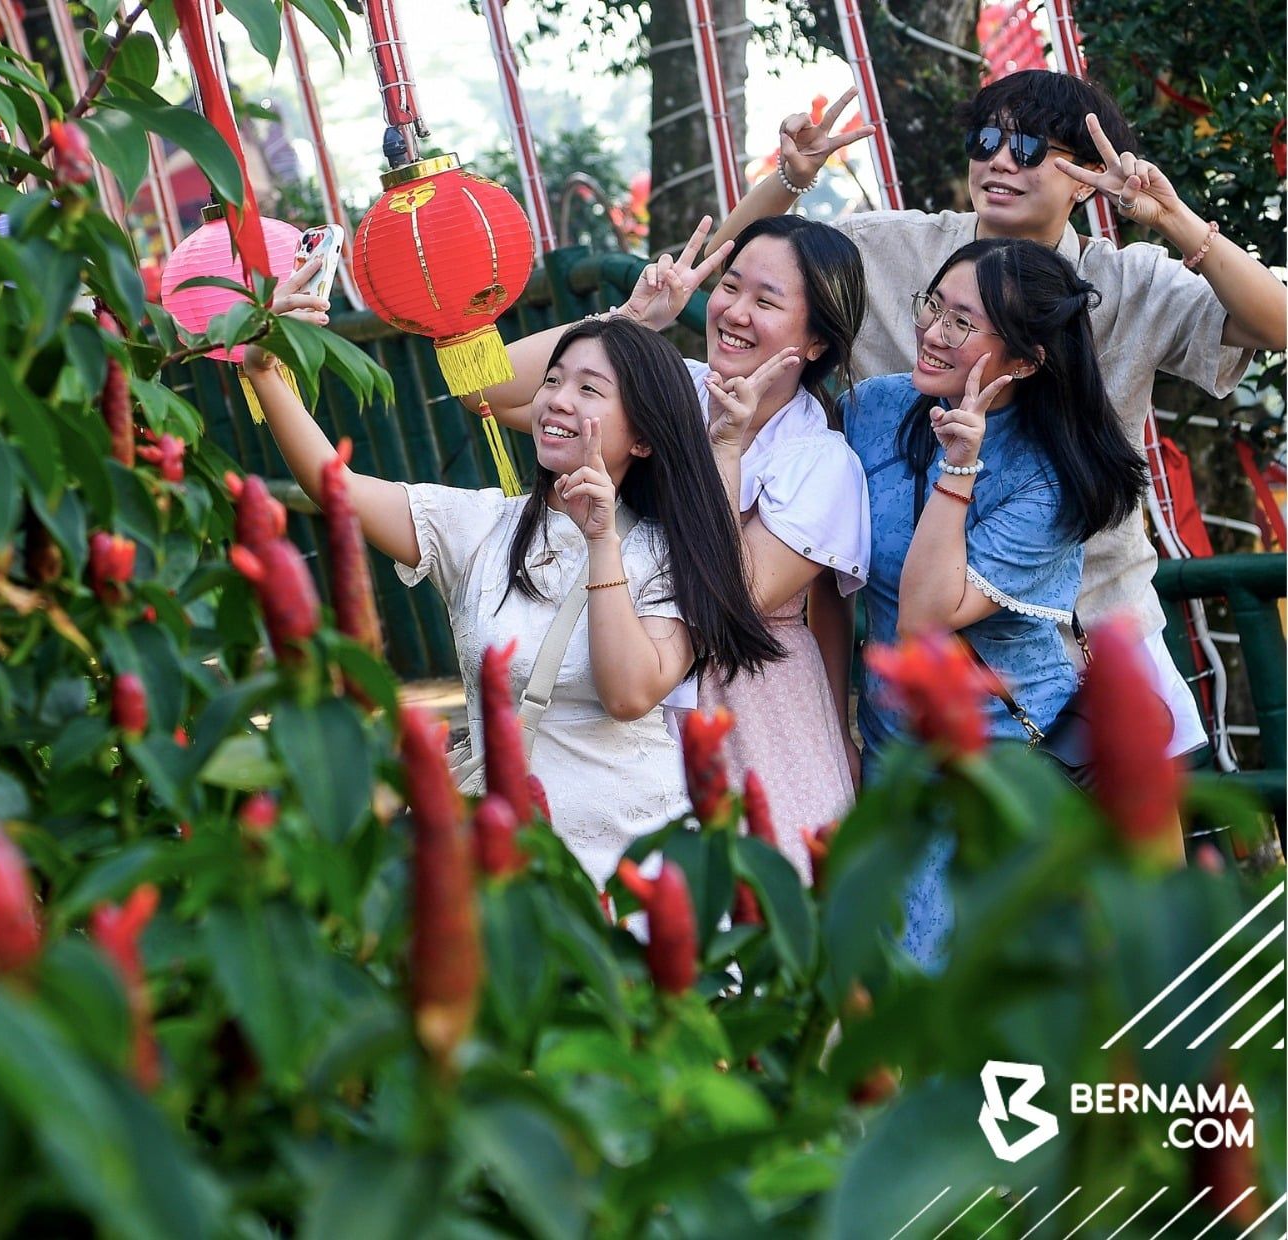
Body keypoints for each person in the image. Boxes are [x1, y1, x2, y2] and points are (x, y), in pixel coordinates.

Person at [708, 71, 1288, 763]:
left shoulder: (1132, 278)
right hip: (928, 642)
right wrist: (790, 180)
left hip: (1099, 614)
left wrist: (1174, 219)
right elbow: (736, 268)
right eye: (987, 139)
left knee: (1137, 839)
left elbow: (1276, 324)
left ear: (1087, 178)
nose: (1001, 160)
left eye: (1032, 148)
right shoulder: (892, 247)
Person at [240, 262, 780, 888]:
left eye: (590, 390)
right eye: (554, 381)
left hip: (636, 870)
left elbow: (630, 694)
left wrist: (602, 541)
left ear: (642, 439)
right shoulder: (479, 526)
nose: (557, 401)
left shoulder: (667, 548)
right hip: (502, 863)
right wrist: (264, 370)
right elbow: (334, 486)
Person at [479, 215, 870, 878]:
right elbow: (484, 390)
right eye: (730, 286)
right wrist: (627, 325)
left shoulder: (822, 463)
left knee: (746, 913)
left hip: (745, 711)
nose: (734, 312)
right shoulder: (672, 387)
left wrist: (723, 444)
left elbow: (731, 598)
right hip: (615, 669)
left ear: (814, 342)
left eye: (767, 301)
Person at [846, 237, 1148, 962]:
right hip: (888, 751)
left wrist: (959, 466)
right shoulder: (878, 408)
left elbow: (922, 619)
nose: (931, 333)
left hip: (993, 765)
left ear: (1023, 359)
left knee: (944, 981)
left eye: (962, 323)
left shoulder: (1049, 480)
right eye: (933, 308)